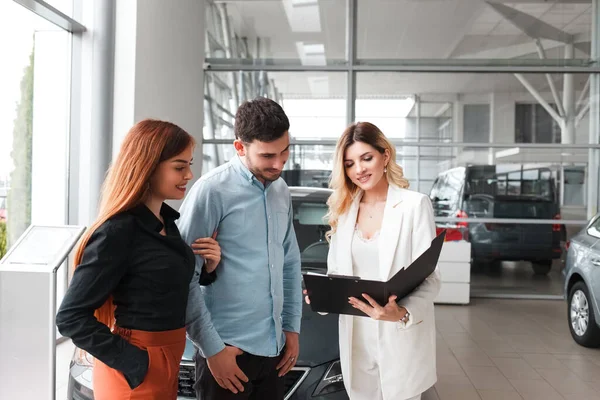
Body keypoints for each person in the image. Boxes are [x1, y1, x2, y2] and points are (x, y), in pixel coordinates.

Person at [56, 119, 221, 400]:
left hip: (167, 359)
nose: (190, 175)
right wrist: (135, 362)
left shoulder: (166, 224)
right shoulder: (118, 231)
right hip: (136, 369)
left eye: (189, 165)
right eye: (179, 167)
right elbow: (70, 317)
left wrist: (207, 271)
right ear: (148, 167)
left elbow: (155, 280)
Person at [178, 97, 302, 400]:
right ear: (239, 147)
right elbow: (183, 278)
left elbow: (289, 262)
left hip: (274, 351)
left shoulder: (281, 190)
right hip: (227, 351)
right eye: (268, 155)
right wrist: (212, 350)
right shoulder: (211, 190)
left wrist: (292, 329)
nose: (279, 163)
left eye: (285, 151)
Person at [307, 122, 441, 400]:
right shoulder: (343, 212)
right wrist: (321, 296)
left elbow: (430, 278)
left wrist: (403, 313)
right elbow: (336, 274)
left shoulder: (414, 206)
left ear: (385, 156)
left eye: (366, 158)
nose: (359, 169)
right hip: (357, 340)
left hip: (398, 333)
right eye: (349, 163)